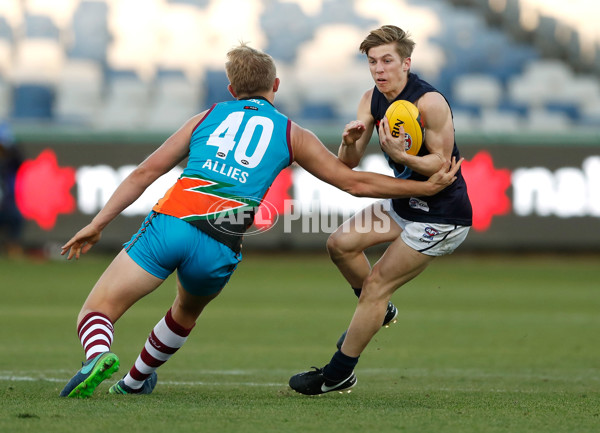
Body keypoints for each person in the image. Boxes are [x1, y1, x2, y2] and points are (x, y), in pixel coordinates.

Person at [59, 42, 462, 398]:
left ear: (232, 90)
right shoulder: (292, 133)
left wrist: (98, 223)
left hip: (174, 221)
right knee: (184, 312)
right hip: (221, 241)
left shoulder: (206, 116)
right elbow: (352, 182)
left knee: (97, 311)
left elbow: (144, 173)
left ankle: (98, 355)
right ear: (277, 86)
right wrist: (421, 188)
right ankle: (134, 381)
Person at [289, 25, 472, 395]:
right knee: (339, 244)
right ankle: (380, 312)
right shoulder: (372, 99)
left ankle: (338, 373)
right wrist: (349, 143)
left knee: (376, 285)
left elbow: (441, 167)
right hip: (405, 204)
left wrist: (401, 156)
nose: (379, 70)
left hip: (442, 214)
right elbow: (350, 164)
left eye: (387, 61)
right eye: (372, 62)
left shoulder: (429, 102)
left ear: (407, 63)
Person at [0, 121, 24, 258]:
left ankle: (13, 248)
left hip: (7, 204)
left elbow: (19, 159)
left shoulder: (10, 162)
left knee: (15, 219)